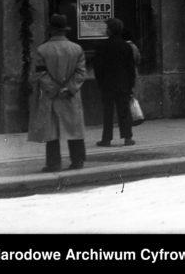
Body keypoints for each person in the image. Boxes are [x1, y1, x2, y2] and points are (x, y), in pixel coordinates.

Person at [27, 14, 87, 172]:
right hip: (70, 96)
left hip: (51, 96)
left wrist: (54, 88)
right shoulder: (77, 49)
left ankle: (53, 163)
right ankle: (77, 160)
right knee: (74, 128)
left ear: (51, 30)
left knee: (51, 130)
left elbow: (40, 73)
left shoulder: (42, 50)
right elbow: (81, 73)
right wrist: (69, 88)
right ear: (65, 30)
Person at [94, 17, 137, 147]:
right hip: (123, 83)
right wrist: (131, 84)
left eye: (107, 28)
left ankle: (106, 139)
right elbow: (131, 68)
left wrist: (100, 82)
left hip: (107, 84)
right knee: (124, 111)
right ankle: (127, 137)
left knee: (107, 112)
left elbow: (98, 67)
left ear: (110, 30)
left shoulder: (102, 46)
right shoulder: (126, 46)